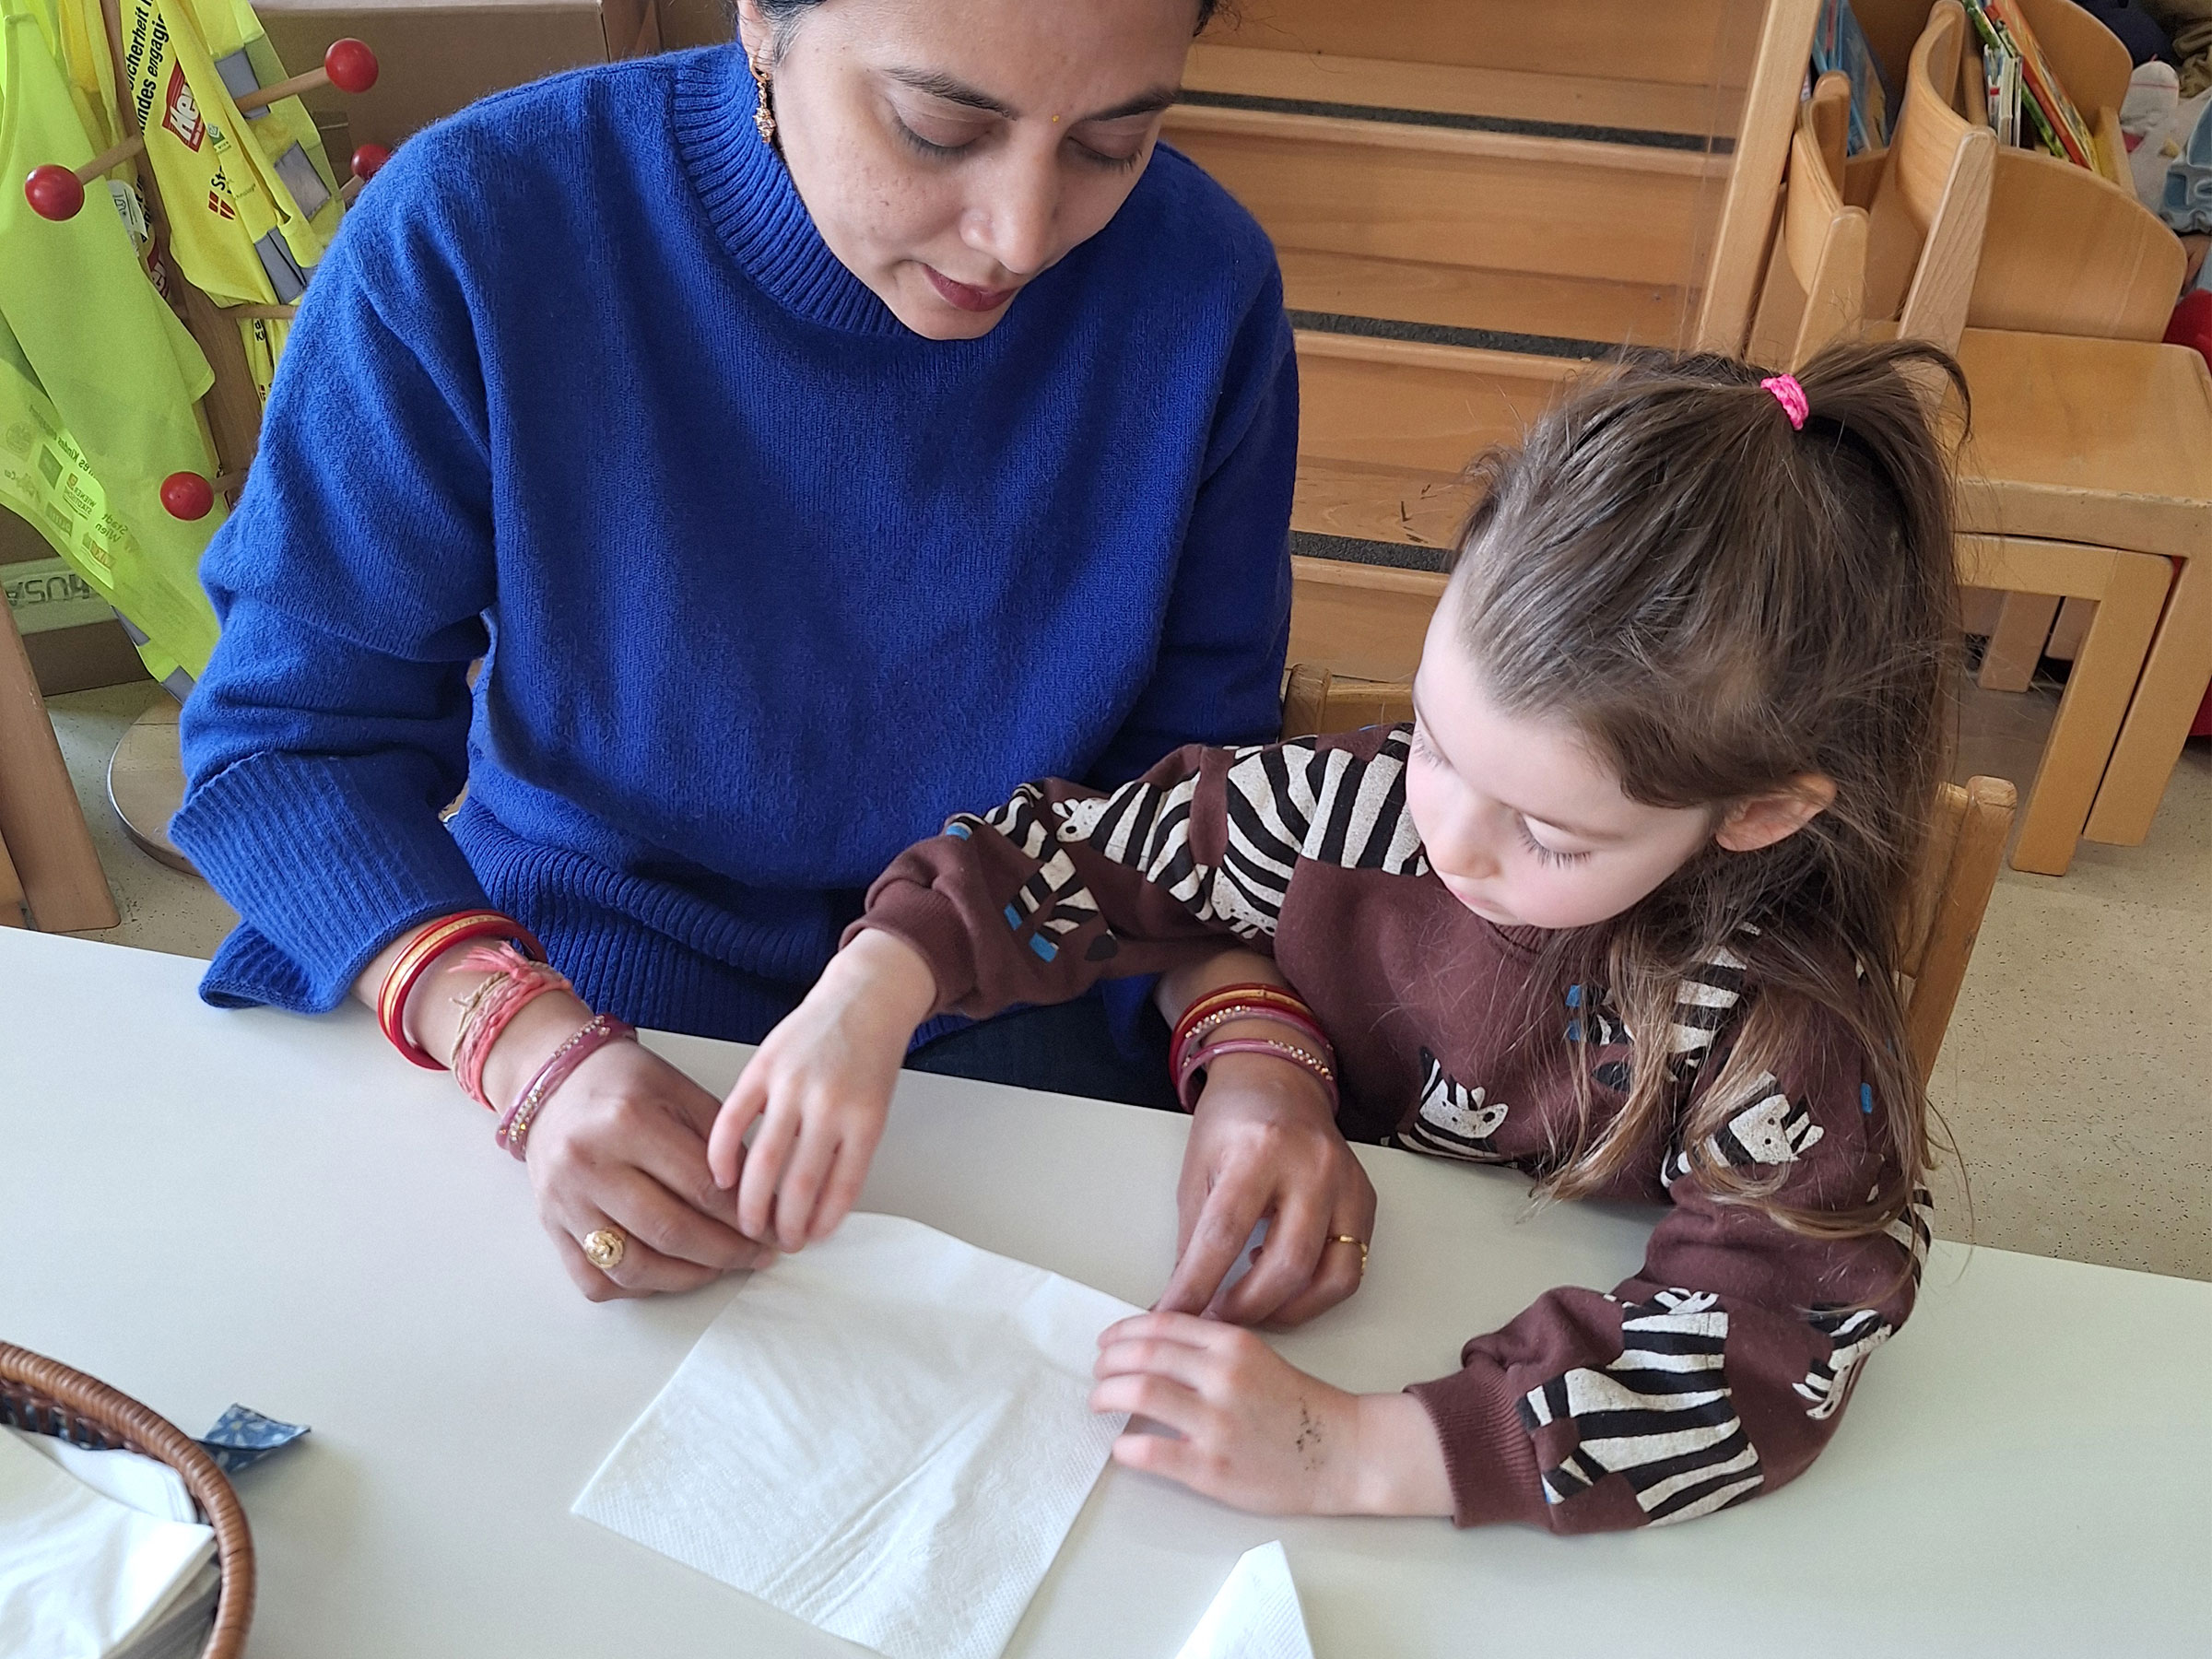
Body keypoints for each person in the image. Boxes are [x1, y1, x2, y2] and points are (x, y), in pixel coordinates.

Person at [169, 0, 1361, 1304]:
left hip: (1030, 1001)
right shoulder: (485, 224)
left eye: (1111, 145)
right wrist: (521, 1046)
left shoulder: (1197, 286)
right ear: (761, 21)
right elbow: (292, 744)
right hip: (579, 984)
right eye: (937, 127)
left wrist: (1257, 1048)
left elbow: (1189, 792)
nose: (1021, 233)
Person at [717, 338, 1961, 1532]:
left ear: (1756, 812)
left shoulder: (1779, 1022)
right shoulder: (1350, 807)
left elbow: (1767, 1345)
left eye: (1550, 835)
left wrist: (1361, 1453)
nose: (1452, 841)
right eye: (1437, 735)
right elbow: (1063, 858)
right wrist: (870, 991)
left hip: (1441, 1435)